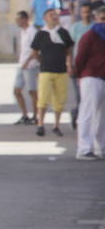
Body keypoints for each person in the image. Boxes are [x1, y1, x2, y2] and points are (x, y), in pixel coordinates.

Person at [30, 7, 74, 138]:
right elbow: (34, 52)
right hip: (46, 70)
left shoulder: (63, 32)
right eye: (51, 15)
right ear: (45, 18)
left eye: (55, 15)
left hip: (61, 70)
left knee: (59, 100)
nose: (54, 17)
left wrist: (68, 63)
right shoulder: (41, 34)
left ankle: (56, 125)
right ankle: (40, 124)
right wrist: (42, 61)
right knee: (43, 99)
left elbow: (68, 50)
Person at [74, 1, 105, 160]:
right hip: (90, 77)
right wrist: (79, 75)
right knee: (88, 114)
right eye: (102, 18)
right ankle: (84, 148)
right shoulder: (90, 36)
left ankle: (101, 147)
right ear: (97, 18)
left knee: (102, 116)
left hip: (101, 77)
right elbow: (80, 58)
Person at [14, 10, 40, 125]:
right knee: (17, 90)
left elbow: (35, 49)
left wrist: (27, 61)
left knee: (32, 91)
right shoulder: (22, 32)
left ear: (25, 19)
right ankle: (25, 115)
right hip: (21, 65)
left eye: (19, 19)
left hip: (31, 65)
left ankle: (36, 115)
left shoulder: (32, 31)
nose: (17, 21)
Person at [71, 1, 93, 131]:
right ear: (80, 13)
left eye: (88, 12)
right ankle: (76, 116)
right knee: (80, 97)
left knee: (92, 98)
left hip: (92, 68)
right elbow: (69, 47)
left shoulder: (95, 27)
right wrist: (69, 64)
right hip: (78, 67)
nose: (86, 14)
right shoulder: (75, 27)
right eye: (84, 12)